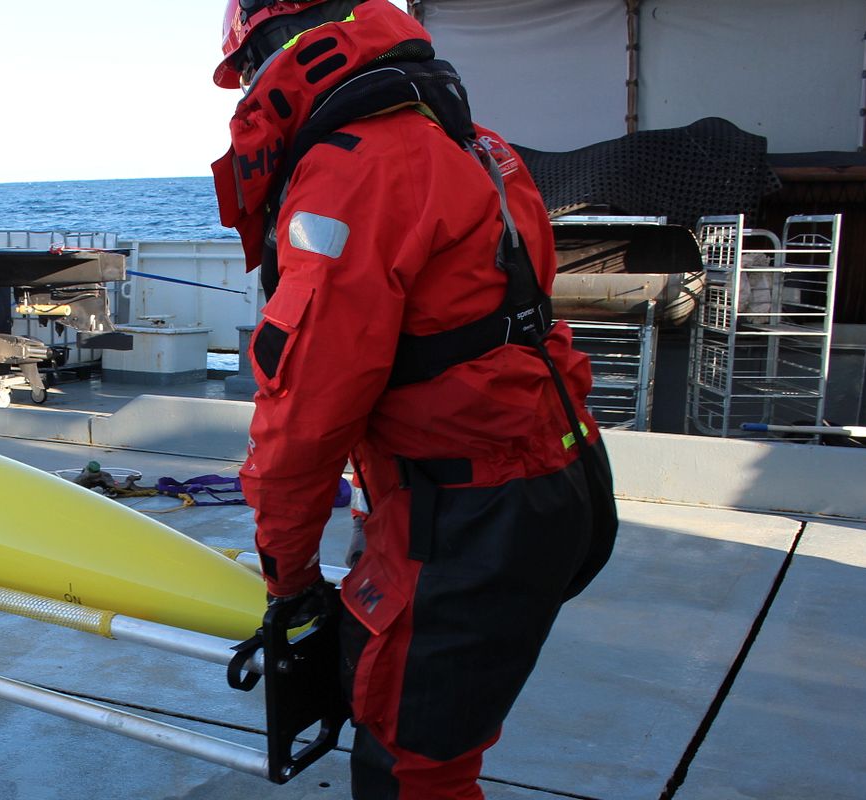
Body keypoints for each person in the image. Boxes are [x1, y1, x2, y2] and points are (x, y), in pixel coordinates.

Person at [211, 2, 619, 798]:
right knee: (427, 733)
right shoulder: (474, 143)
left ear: (269, 56)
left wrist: (290, 579)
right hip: (559, 479)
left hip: (475, 518)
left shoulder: (351, 168)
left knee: (411, 768)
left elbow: (306, 418)